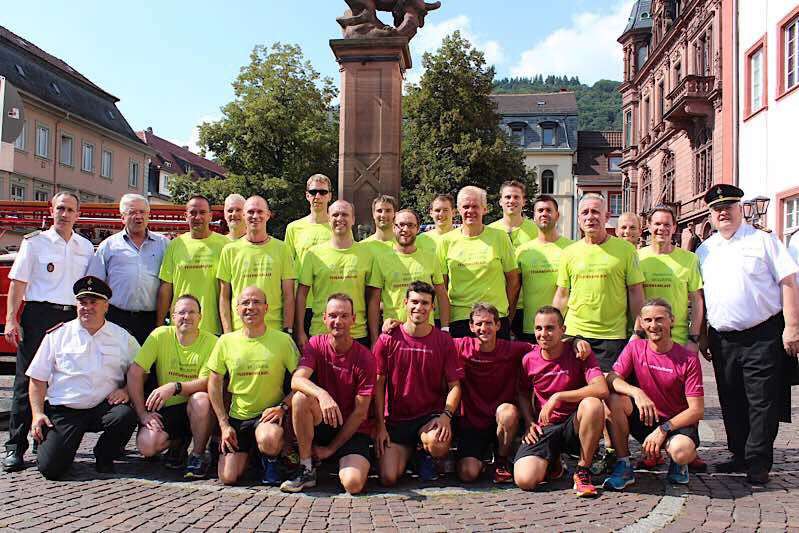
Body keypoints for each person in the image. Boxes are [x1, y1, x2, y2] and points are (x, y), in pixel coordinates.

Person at [696, 184, 799, 485]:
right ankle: (738, 453)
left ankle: (757, 460)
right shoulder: (706, 249)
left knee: (761, 400)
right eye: (717, 209)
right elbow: (701, 296)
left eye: (728, 206)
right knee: (731, 396)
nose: (723, 212)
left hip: (762, 334)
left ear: (739, 208)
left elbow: (789, 281)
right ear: (711, 215)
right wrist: (702, 335)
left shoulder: (763, 241)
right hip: (722, 337)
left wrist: (792, 326)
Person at [2, 192, 94, 472]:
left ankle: (43, 441)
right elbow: (18, 284)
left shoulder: (86, 247)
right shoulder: (35, 243)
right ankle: (14, 447)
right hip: (39, 315)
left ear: (78, 214)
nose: (64, 214)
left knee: (60, 383)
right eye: (60, 208)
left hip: (71, 318)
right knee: (27, 381)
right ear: (51, 210)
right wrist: (10, 320)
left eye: (70, 210)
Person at [26, 276, 140, 479]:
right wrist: (37, 414)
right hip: (66, 410)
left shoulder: (123, 337)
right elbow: (37, 378)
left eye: (93, 302)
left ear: (106, 305)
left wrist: (126, 390)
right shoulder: (57, 335)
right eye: (82, 302)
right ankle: (57, 446)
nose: (87, 307)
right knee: (51, 469)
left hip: (103, 407)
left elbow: (141, 372)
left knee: (125, 415)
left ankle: (105, 454)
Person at [603, 299, 704, 489]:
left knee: (681, 451)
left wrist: (663, 429)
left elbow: (696, 410)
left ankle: (679, 464)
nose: (653, 325)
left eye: (659, 319)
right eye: (648, 320)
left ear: (671, 321)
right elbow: (611, 378)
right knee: (612, 398)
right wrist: (636, 392)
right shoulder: (635, 347)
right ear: (641, 323)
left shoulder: (688, 359)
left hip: (675, 425)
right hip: (646, 419)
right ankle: (624, 465)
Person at [280, 294, 375, 494]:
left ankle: (335, 458)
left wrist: (331, 449)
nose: (337, 321)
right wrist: (322, 394)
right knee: (300, 398)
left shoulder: (365, 357)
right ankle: (306, 469)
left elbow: (360, 413)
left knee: (353, 484)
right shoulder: (315, 344)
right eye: (332, 316)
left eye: (343, 316)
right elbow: (297, 380)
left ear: (353, 319)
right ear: (324, 318)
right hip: (324, 421)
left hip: (353, 430)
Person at [206, 286, 299, 486]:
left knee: (269, 438)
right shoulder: (225, 342)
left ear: (266, 308)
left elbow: (303, 381)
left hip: (268, 416)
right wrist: (224, 424)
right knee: (228, 477)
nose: (251, 307)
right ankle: (253, 456)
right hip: (238, 418)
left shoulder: (283, 340)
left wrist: (283, 407)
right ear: (236, 309)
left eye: (257, 302)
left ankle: (271, 458)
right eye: (245, 303)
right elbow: (214, 383)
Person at [373, 281, 464, 485]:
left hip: (428, 418)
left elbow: (455, 386)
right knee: (388, 477)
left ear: (433, 307)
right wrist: (379, 426)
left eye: (425, 303)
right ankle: (412, 454)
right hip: (396, 419)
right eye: (414, 302)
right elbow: (378, 385)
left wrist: (446, 416)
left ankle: (426, 453)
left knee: (438, 442)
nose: (419, 307)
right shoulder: (387, 339)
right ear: (405, 303)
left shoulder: (443, 341)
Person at [514, 307, 608, 497]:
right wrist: (529, 421)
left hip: (574, 424)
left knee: (593, 404)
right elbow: (522, 393)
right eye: (538, 328)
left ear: (562, 330)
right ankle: (553, 463)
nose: (543, 334)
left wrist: (559, 396)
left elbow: (601, 389)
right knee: (525, 480)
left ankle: (582, 471)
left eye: (550, 328)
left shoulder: (579, 353)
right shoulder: (529, 360)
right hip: (546, 427)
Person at [127, 295, 218, 479]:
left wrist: (174, 387)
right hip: (168, 407)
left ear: (200, 317)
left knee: (200, 399)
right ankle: (178, 441)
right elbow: (134, 373)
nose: (187, 316)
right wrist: (142, 413)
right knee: (147, 446)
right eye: (181, 312)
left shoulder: (212, 341)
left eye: (192, 312)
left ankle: (198, 454)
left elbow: (207, 382)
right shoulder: (160, 335)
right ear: (173, 316)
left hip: (199, 408)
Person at [553, 193, 645, 372]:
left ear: (607, 217)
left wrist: (638, 331)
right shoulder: (569, 252)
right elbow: (562, 295)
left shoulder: (626, 250)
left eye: (595, 211)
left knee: (608, 394)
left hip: (611, 337)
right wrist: (555, 329)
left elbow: (636, 293)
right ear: (579, 218)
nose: (590, 217)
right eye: (585, 212)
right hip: (574, 334)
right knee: (574, 392)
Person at [454, 303, 529, 484]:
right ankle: (481, 461)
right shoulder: (461, 346)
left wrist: (575, 341)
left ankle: (501, 460)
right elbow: (430, 340)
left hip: (502, 420)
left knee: (508, 412)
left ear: (498, 325)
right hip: (472, 422)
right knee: (468, 474)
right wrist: (394, 325)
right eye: (478, 324)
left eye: (488, 323)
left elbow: (545, 345)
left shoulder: (512, 349)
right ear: (471, 327)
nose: (483, 328)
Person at [438, 186, 520, 339]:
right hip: (460, 319)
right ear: (458, 210)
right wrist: (445, 325)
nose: (470, 211)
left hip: (495, 318)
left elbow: (513, 280)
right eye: (466, 206)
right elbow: (441, 286)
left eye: (475, 206)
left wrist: (504, 312)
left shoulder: (500, 237)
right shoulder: (446, 241)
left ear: (484, 208)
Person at [88, 193, 169, 346]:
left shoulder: (164, 245)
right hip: (116, 318)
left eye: (142, 212)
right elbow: (95, 286)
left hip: (152, 320)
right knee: (116, 366)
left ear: (148, 215)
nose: (138, 217)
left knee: (148, 368)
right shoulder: (109, 246)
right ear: (122, 217)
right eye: (132, 212)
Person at [296, 200, 375, 348]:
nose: (340, 218)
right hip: (321, 332)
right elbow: (301, 294)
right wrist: (299, 330)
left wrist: (374, 336)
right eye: (335, 214)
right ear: (328, 219)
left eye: (345, 214)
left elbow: (373, 298)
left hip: (356, 333)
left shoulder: (367, 253)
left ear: (353, 219)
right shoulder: (313, 254)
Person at [367, 209, 450, 342]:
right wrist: (374, 338)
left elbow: (442, 295)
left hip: (426, 334)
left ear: (417, 229)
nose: (405, 229)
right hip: (393, 333)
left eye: (411, 225)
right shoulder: (381, 260)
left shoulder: (430, 258)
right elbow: (374, 301)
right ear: (394, 228)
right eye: (401, 225)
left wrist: (445, 329)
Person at [217, 196, 295, 334]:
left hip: (274, 330)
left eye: (260, 212)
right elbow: (224, 297)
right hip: (240, 331)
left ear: (268, 215)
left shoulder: (282, 249)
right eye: (251, 212)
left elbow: (288, 295)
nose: (255, 216)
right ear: (243, 215)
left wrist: (288, 329)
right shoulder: (230, 250)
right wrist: (228, 333)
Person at [157, 195, 229, 335]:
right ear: (186, 216)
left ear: (210, 216)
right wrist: (159, 326)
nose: (197, 217)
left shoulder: (225, 245)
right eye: (193, 213)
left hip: (214, 328)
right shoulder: (175, 245)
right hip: (180, 326)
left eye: (202, 212)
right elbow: (166, 288)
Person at [638, 206, 704, 349]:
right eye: (657, 224)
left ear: (674, 227)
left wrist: (693, 338)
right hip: (644, 341)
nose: (662, 228)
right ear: (649, 226)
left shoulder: (689, 259)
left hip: (678, 341)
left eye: (667, 224)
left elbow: (697, 301)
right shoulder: (637, 258)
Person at [514, 195, 573, 343]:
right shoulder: (522, 251)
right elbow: (513, 289)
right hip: (531, 328)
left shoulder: (572, 248)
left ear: (557, 215)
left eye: (548, 210)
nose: (544, 214)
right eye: (540, 210)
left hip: (564, 327)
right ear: (534, 216)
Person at [285, 174, 334, 335]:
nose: (317, 196)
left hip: (331, 302)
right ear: (307, 195)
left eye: (322, 192)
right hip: (303, 303)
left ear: (330, 196)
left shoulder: (338, 227)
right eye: (313, 192)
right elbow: (287, 269)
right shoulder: (294, 228)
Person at [489, 180, 539, 338]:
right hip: (497, 306)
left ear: (524, 201)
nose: (512, 201)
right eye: (508, 197)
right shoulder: (489, 231)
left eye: (516, 197)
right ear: (500, 201)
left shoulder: (536, 230)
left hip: (527, 305)